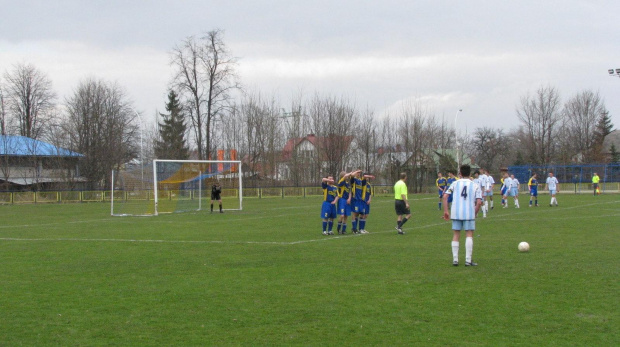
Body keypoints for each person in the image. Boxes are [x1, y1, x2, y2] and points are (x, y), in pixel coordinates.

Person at [443, 164, 482, 267]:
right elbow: (478, 202)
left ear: (460, 173)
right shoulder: (475, 185)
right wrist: (475, 213)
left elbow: (445, 196)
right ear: (470, 174)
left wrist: (446, 211)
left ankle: (455, 260)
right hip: (469, 213)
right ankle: (468, 261)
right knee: (469, 234)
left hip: (456, 213)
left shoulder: (454, 184)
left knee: (456, 234)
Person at [336, 170, 359, 234]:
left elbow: (349, 192)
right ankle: (338, 228)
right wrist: (351, 173)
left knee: (346, 216)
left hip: (347, 200)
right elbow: (346, 175)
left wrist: (349, 198)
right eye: (345, 175)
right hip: (342, 200)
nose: (347, 176)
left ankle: (343, 230)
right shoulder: (341, 181)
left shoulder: (347, 183)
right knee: (342, 215)